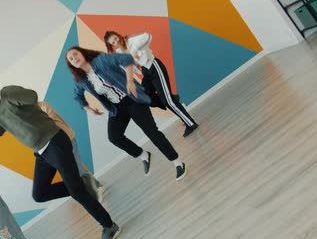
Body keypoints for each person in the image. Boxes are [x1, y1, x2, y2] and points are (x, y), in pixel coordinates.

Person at [0, 78, 121, 239]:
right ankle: (81, 185)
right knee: (40, 194)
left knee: (77, 192)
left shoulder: (8, 93)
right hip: (41, 152)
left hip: (54, 142)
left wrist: (15, 97)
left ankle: (109, 226)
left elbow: (32, 97)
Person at [65, 46, 187, 181]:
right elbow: (77, 96)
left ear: (81, 53)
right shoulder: (81, 80)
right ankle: (144, 155)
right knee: (114, 137)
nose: (74, 58)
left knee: (152, 132)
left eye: (75, 54)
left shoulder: (101, 60)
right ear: (71, 64)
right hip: (117, 108)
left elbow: (127, 58)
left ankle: (177, 162)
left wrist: (130, 81)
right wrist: (88, 108)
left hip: (132, 98)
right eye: (71, 59)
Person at [104, 31, 198, 137]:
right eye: (113, 42)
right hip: (146, 72)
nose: (117, 41)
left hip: (154, 66)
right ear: (111, 45)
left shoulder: (130, 40)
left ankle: (191, 123)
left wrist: (137, 50)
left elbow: (148, 36)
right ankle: (173, 99)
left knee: (167, 101)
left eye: (116, 38)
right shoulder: (120, 52)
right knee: (146, 97)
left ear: (118, 35)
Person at [37, 101, 104, 202]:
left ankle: (95, 195)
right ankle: (97, 186)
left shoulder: (42, 106)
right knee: (77, 167)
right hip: (56, 146)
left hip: (67, 139)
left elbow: (52, 122)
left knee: (77, 169)